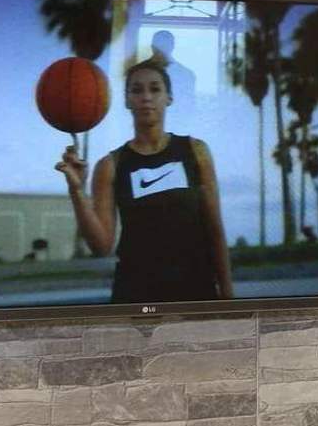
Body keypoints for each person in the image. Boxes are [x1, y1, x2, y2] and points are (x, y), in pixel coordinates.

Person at [55, 52, 232, 302]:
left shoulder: (196, 151)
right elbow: (101, 246)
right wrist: (76, 190)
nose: (146, 97)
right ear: (127, 101)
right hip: (136, 296)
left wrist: (227, 296)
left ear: (168, 98)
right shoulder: (110, 165)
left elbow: (215, 231)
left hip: (195, 294)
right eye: (137, 90)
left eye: (155, 89)